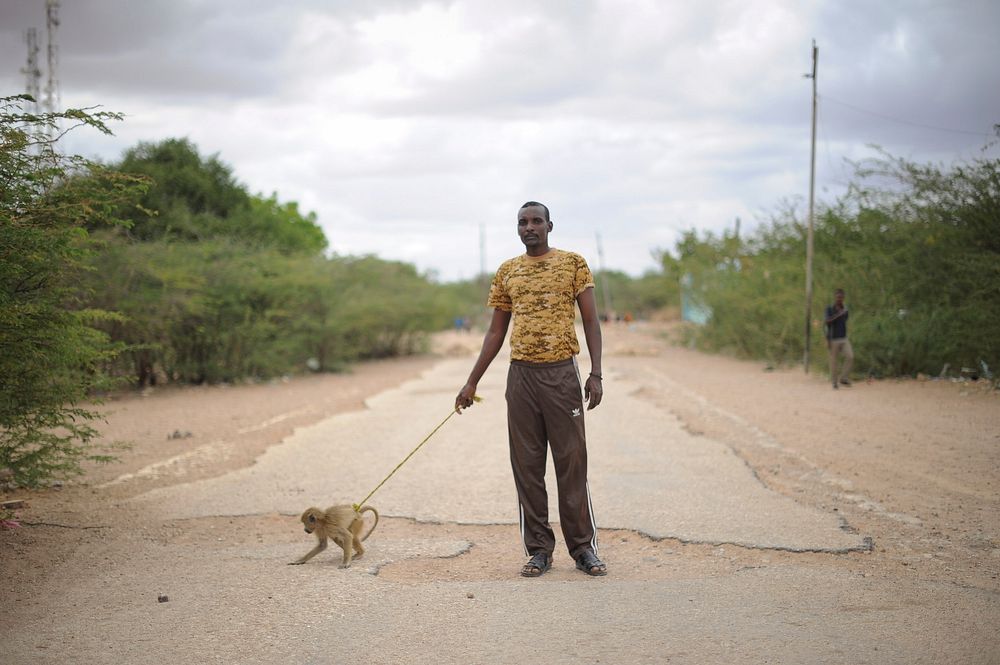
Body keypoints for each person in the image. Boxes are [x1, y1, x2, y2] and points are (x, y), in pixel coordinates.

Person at [454, 201, 606, 578]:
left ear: (550, 225)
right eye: (523, 222)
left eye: (536, 220)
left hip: (561, 375)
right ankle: (538, 550)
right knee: (527, 466)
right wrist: (472, 381)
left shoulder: (573, 263)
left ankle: (583, 548)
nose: (529, 227)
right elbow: (495, 331)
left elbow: (590, 319)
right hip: (521, 378)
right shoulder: (508, 271)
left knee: (571, 463)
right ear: (517, 229)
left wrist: (596, 373)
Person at [825, 288, 854, 389]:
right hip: (833, 338)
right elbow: (827, 321)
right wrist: (838, 314)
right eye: (838, 297)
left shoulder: (845, 309)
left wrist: (843, 313)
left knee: (850, 356)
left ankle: (843, 377)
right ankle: (834, 382)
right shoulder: (829, 309)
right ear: (835, 297)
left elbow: (845, 320)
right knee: (834, 361)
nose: (839, 299)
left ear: (843, 298)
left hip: (843, 337)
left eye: (841, 297)